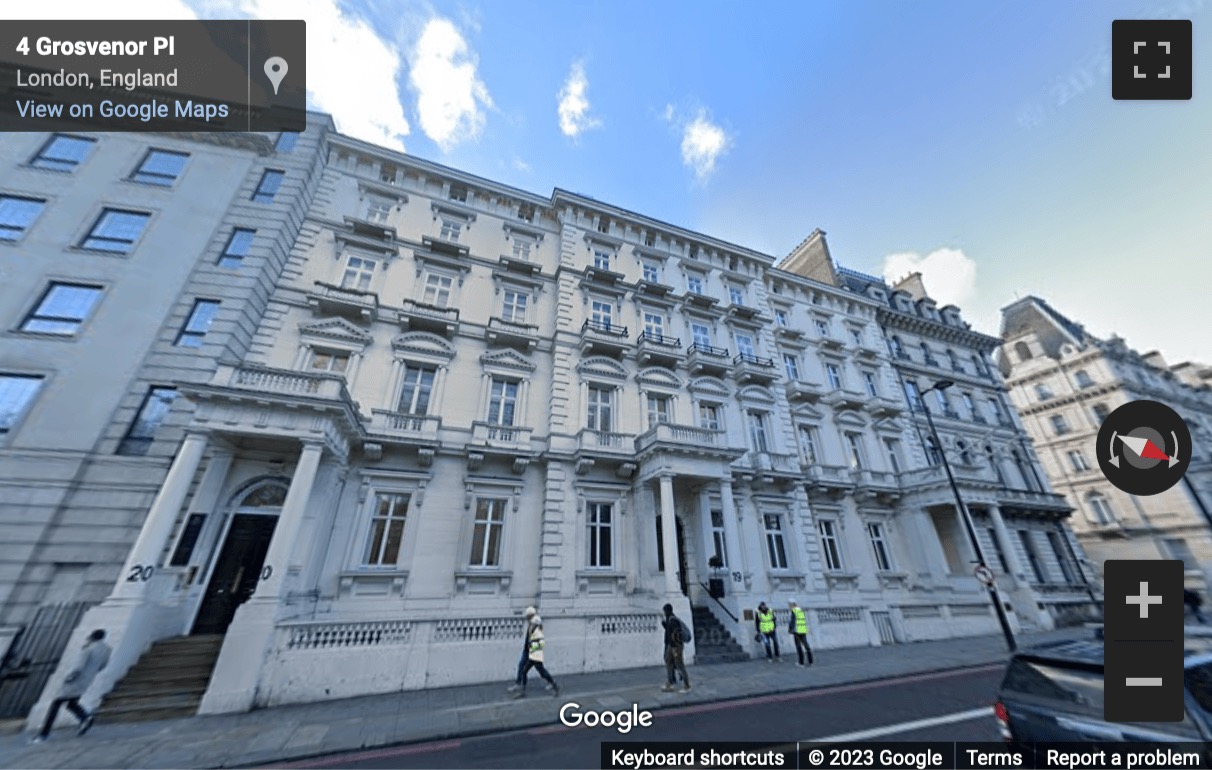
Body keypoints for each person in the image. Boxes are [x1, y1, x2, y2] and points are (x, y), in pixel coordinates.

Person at [33, 629, 111, 743]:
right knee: (71, 703)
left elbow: (78, 667)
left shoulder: (88, 648)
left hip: (75, 680)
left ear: (93, 637)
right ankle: (85, 717)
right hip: (87, 680)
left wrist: (69, 678)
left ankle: (44, 734)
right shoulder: (106, 650)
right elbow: (103, 666)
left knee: (56, 704)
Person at [512, 609, 559, 698]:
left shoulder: (537, 632)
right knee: (527, 671)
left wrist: (531, 649)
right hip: (532, 654)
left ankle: (554, 685)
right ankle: (524, 691)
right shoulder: (533, 628)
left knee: (537, 671)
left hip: (534, 655)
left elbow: (539, 644)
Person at [660, 603, 691, 692]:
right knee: (668, 661)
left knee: (679, 664)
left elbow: (676, 634)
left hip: (675, 646)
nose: (664, 613)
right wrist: (664, 624)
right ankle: (670, 682)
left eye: (664, 611)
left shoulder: (673, 621)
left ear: (668, 611)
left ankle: (687, 685)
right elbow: (669, 631)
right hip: (670, 645)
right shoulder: (669, 619)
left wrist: (674, 649)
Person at [788, 599, 813, 667]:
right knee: (806, 645)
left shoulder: (794, 611)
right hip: (803, 630)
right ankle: (810, 661)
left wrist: (790, 629)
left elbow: (792, 621)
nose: (789, 606)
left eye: (789, 605)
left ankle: (801, 662)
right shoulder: (801, 611)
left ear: (792, 605)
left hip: (797, 631)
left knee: (799, 646)